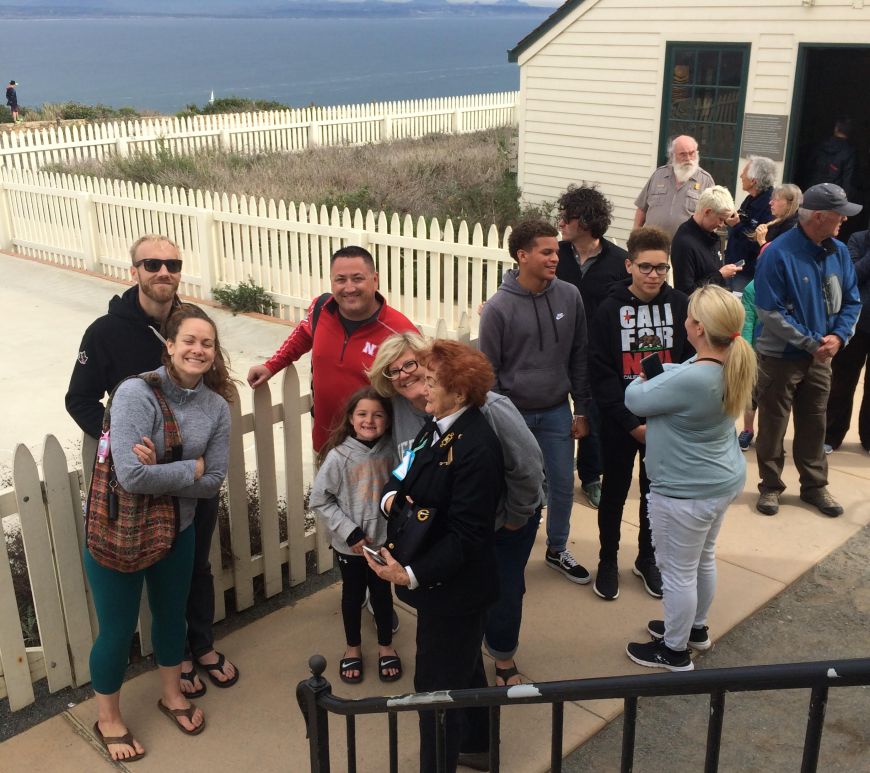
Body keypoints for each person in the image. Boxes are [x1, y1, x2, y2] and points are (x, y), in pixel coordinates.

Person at [66, 235, 238, 700]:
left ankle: (197, 645)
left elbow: (216, 391)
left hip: (187, 493)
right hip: (134, 495)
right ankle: (174, 657)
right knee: (141, 598)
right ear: (135, 270)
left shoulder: (191, 324)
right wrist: (118, 441)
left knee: (194, 569)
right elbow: (79, 399)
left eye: (173, 263)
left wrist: (185, 466)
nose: (164, 271)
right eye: (152, 263)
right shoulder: (106, 331)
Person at [369, 332, 543, 769]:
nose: (419, 388)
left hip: (455, 587)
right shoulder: (437, 426)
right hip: (443, 582)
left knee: (434, 688)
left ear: (459, 391)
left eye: (429, 380)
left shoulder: (476, 445)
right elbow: (404, 471)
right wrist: (392, 499)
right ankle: (478, 745)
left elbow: (468, 535)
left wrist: (408, 575)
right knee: (463, 664)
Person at [84, 305, 232, 760]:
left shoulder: (216, 407)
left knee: (171, 618)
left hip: (178, 530)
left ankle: (171, 694)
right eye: (188, 340)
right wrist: (191, 466)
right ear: (169, 345)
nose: (198, 350)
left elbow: (214, 482)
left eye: (207, 343)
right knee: (117, 629)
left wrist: (164, 468)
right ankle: (108, 717)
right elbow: (130, 476)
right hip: (118, 531)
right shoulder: (135, 394)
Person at [624, 285, 756, 671]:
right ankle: (694, 628)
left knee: (677, 571)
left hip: (686, 492)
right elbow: (683, 375)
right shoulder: (730, 362)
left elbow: (635, 397)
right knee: (702, 559)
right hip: (718, 481)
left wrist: (645, 378)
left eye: (688, 316)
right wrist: (669, 371)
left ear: (697, 327)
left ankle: (675, 650)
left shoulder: (694, 378)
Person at [479, 220, 592, 585]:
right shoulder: (497, 308)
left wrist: (582, 408)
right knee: (516, 490)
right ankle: (509, 551)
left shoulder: (570, 296)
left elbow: (579, 355)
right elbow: (489, 376)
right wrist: (501, 425)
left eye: (557, 251)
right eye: (547, 251)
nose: (555, 258)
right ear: (522, 255)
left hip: (558, 411)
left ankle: (557, 547)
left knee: (561, 485)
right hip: (516, 418)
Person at [590, 226, 691, 601]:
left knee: (655, 495)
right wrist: (631, 424)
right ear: (629, 265)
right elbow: (600, 373)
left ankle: (647, 558)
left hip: (665, 424)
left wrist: (667, 418)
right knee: (614, 493)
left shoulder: (681, 305)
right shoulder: (609, 309)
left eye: (661, 268)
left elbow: (686, 364)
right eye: (646, 267)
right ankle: (607, 559)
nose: (654, 275)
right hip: (621, 424)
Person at [754, 183, 862, 517]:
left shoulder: (839, 252)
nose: (844, 221)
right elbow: (769, 312)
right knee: (773, 425)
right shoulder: (777, 252)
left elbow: (852, 300)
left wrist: (840, 337)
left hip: (820, 357)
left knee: (815, 422)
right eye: (839, 215)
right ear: (818, 216)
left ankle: (815, 486)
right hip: (780, 358)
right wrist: (815, 343)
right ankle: (771, 487)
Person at [246, 245, 416, 452]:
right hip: (324, 444)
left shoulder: (399, 331)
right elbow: (303, 334)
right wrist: (271, 366)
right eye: (341, 279)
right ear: (331, 281)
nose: (349, 287)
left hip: (374, 452)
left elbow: (419, 393)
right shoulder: (321, 308)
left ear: (375, 280)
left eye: (358, 278)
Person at [309, 387, 401, 684]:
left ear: (388, 420)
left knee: (383, 594)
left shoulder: (394, 451)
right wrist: (350, 532)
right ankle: (353, 648)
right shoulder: (338, 457)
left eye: (378, 415)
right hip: (351, 548)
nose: (369, 420)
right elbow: (320, 500)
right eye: (362, 414)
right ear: (350, 418)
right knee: (351, 596)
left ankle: (386, 645)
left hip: (385, 545)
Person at [556, 183, 629, 509]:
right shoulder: (553, 254)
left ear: (584, 222)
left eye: (566, 217)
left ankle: (590, 478)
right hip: (555, 352)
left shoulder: (619, 262)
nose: (561, 223)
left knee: (594, 419)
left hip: (598, 355)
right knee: (554, 418)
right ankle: (549, 475)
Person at [825, 228, 870, 453]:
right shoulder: (858, 239)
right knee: (842, 382)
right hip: (856, 324)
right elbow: (853, 275)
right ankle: (832, 435)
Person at [633, 135, 715, 239]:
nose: (688, 158)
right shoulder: (658, 175)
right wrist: (635, 235)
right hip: (652, 244)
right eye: (683, 154)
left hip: (686, 249)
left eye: (691, 153)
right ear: (673, 156)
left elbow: (713, 217)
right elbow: (642, 208)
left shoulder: (706, 180)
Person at [671, 185, 741, 296]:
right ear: (707, 212)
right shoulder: (684, 243)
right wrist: (720, 275)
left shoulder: (708, 234)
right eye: (721, 219)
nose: (722, 225)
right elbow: (685, 292)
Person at [723, 156, 777, 290]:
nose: (741, 175)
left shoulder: (769, 205)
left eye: (744, 173)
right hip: (734, 266)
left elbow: (758, 241)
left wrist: (736, 225)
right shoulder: (750, 198)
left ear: (754, 181)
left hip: (747, 274)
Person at [753, 184, 802, 248]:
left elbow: (779, 256)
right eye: (771, 199)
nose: (770, 203)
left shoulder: (793, 229)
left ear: (790, 203)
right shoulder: (778, 221)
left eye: (776, 199)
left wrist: (762, 242)